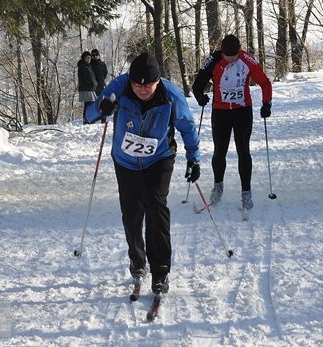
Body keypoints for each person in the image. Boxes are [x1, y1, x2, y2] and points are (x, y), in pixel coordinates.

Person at [85, 52, 200, 295]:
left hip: (159, 158)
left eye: (148, 84)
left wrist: (194, 158)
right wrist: (102, 107)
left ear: (158, 80)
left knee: (156, 208)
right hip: (126, 161)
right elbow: (89, 115)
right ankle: (137, 261)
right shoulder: (120, 87)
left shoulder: (171, 95)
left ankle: (161, 270)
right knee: (132, 213)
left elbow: (187, 127)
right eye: (137, 84)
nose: (143, 89)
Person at [191, 34, 272, 211]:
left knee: (243, 149)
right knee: (220, 150)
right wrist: (200, 97)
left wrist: (267, 103)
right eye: (227, 57)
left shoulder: (247, 59)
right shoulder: (213, 59)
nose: (230, 59)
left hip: (242, 110)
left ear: (239, 51)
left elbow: (265, 82)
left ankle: (246, 192)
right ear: (222, 52)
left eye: (234, 56)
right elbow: (198, 82)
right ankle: (218, 186)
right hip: (220, 111)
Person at [77, 51, 97, 124]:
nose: (89, 59)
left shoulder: (87, 66)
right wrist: (91, 84)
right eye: (87, 58)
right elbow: (84, 78)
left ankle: (88, 120)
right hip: (86, 89)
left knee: (89, 105)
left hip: (90, 89)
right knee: (89, 105)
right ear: (84, 58)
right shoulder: (82, 66)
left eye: (90, 57)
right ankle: (88, 120)